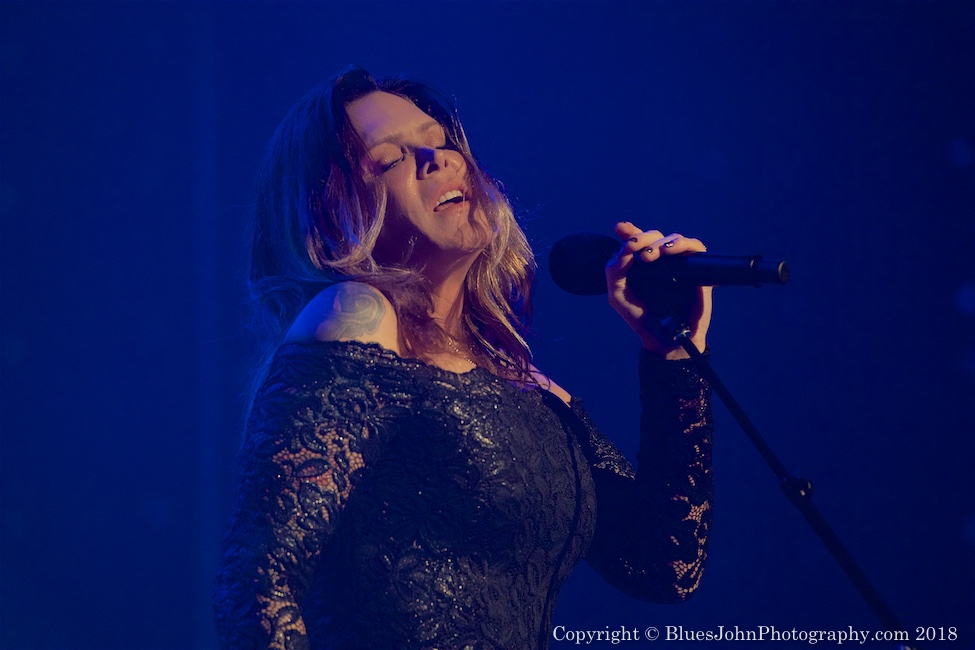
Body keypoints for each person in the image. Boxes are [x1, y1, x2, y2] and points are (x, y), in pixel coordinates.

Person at [213, 66, 714, 650]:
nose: (438, 159)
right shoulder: (357, 316)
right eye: (390, 159)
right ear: (331, 217)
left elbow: (665, 564)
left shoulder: (525, 382)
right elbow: (256, 584)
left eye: (440, 140)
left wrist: (674, 353)